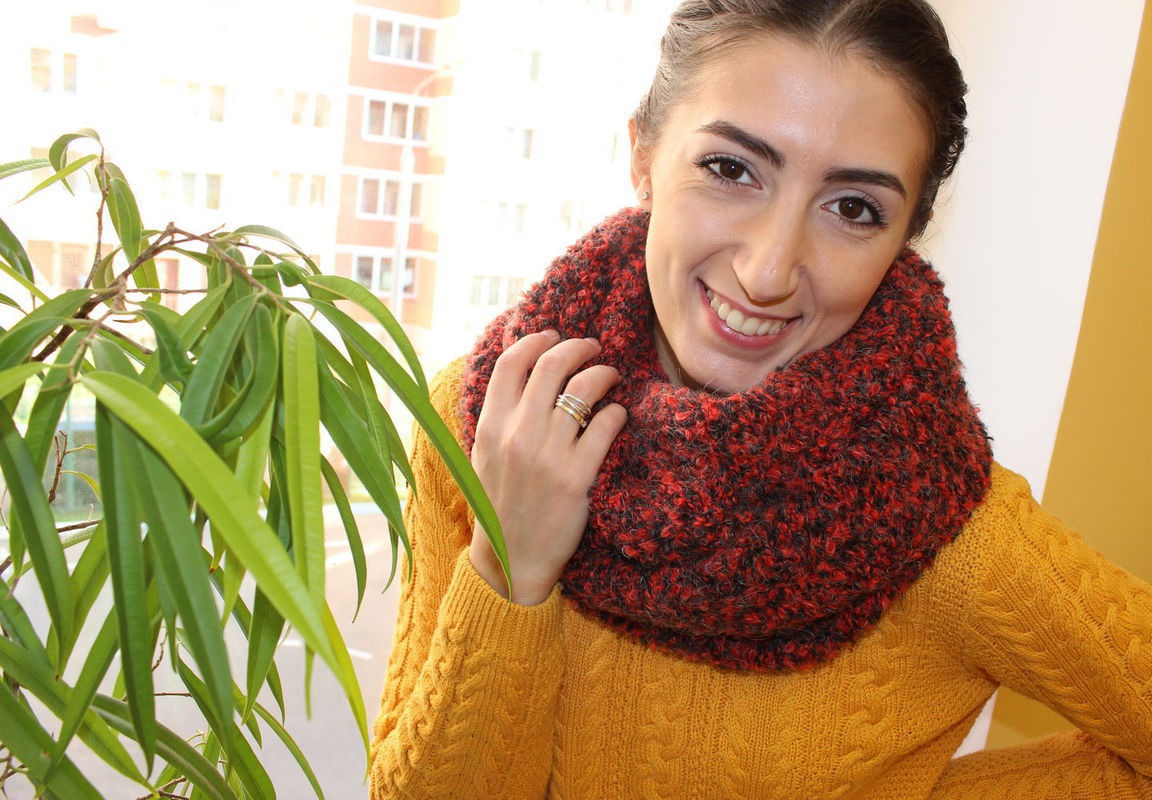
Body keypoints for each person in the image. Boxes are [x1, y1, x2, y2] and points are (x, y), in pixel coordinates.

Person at [368, 0, 1152, 797]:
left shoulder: (948, 531)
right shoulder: (484, 421)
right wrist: (508, 566)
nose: (768, 270)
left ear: (903, 239)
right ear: (643, 156)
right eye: (730, 169)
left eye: (853, 209)